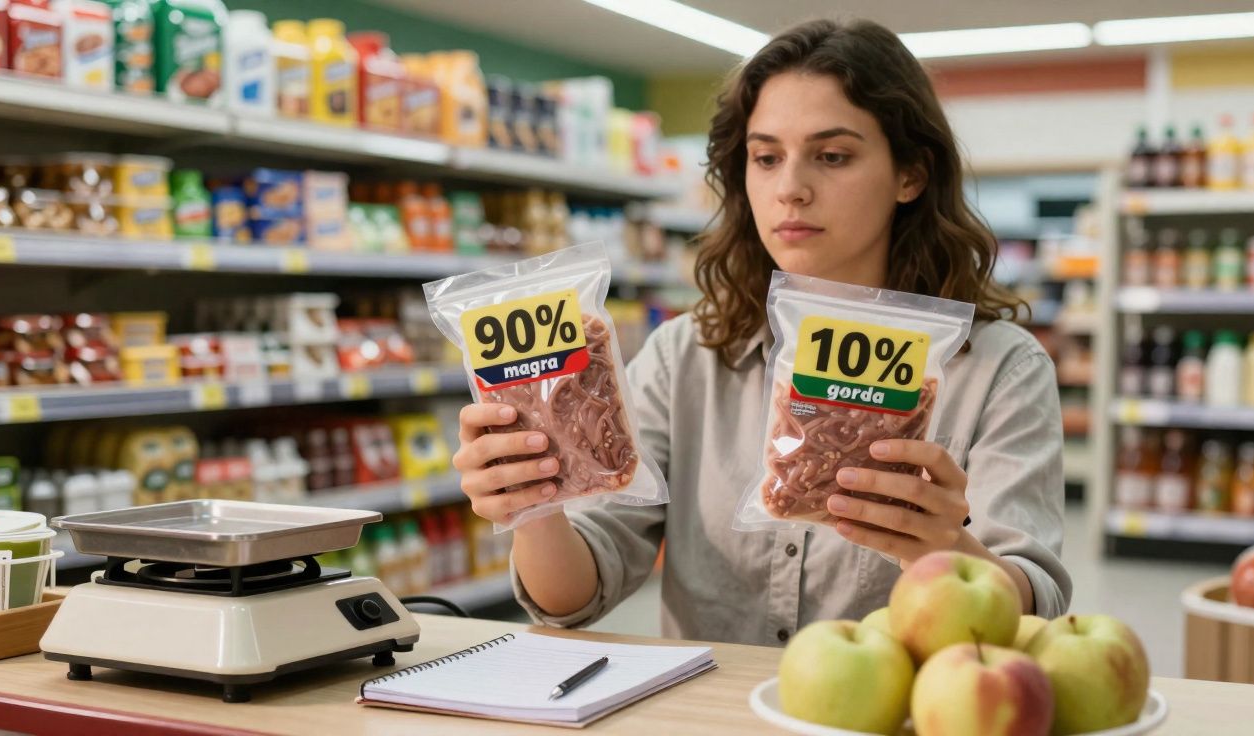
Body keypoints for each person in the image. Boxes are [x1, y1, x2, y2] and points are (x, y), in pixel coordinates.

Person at [452, 19, 1070, 645]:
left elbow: (1031, 608)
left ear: (910, 174)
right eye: (766, 157)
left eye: (833, 156)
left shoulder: (997, 369)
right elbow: (576, 597)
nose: (790, 189)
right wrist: (531, 505)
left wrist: (947, 552)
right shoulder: (686, 356)